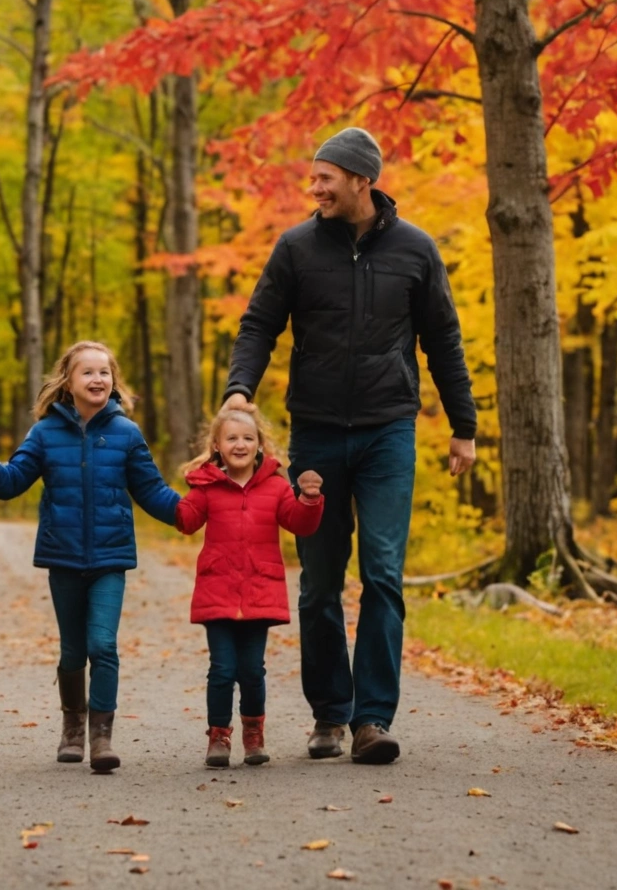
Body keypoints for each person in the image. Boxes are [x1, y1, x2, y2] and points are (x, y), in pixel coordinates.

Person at [221, 126, 476, 766]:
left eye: (325, 179)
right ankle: (330, 713)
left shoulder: (416, 250)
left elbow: (443, 340)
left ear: (362, 180)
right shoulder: (296, 248)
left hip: (389, 430)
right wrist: (239, 390)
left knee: (383, 574)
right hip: (315, 434)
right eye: (314, 179)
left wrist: (463, 426)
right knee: (319, 584)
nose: (314, 189)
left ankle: (372, 720)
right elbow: (259, 323)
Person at [0, 341, 179, 773]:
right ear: (68, 381)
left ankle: (101, 737)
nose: (98, 379)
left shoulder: (126, 434)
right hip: (63, 558)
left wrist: (195, 511)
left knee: (103, 645)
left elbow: (153, 492)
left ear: (113, 381)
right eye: (88, 372)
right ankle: (73, 728)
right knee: (72, 651)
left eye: (105, 372)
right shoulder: (44, 433)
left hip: (109, 558)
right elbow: (10, 483)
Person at [173, 406, 324, 767]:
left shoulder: (274, 486)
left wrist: (310, 499)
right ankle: (218, 736)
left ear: (259, 445)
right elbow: (187, 521)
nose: (240, 444)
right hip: (218, 591)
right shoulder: (207, 485)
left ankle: (253, 733)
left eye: (248, 438)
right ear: (217, 445)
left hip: (259, 591)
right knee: (222, 669)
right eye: (232, 438)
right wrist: (170, 495)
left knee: (252, 670)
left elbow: (299, 524)